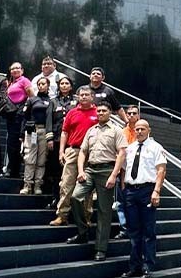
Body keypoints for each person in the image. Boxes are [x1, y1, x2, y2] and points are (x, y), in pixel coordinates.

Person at [66, 101, 128, 262]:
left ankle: (101, 249)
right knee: (75, 197)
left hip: (107, 171)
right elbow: (83, 152)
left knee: (104, 211)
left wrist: (114, 175)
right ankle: (83, 231)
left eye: (104, 111)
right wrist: (80, 171)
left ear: (110, 113)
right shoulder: (91, 130)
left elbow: (122, 154)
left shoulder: (116, 131)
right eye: (98, 111)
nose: (100, 113)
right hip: (90, 170)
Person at [121, 119, 166, 278]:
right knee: (133, 231)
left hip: (147, 190)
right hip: (131, 192)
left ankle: (148, 265)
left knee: (148, 230)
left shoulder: (155, 147)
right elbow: (125, 169)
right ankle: (134, 267)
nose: (139, 131)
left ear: (149, 130)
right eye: (137, 129)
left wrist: (156, 191)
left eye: (142, 129)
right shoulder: (131, 148)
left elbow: (161, 170)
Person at [50, 86, 97, 227]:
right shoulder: (72, 112)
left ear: (92, 97)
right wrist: (61, 151)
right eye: (81, 95)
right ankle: (62, 215)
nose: (83, 97)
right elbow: (64, 132)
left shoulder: (98, 113)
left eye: (86, 94)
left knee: (87, 187)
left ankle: (86, 217)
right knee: (66, 184)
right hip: (73, 151)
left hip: (90, 154)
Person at [45, 75, 77, 199]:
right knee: (55, 170)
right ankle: (55, 197)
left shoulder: (76, 101)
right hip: (56, 140)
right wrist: (49, 138)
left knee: (69, 172)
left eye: (66, 83)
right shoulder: (53, 101)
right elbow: (49, 121)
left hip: (71, 141)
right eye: (62, 84)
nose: (64, 85)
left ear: (71, 86)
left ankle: (68, 199)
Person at [20, 76, 53, 195]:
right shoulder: (32, 99)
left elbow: (51, 119)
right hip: (32, 131)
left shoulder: (51, 101)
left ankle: (38, 185)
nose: (41, 86)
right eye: (39, 84)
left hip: (44, 131)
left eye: (43, 84)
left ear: (48, 86)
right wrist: (21, 134)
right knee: (29, 158)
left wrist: (50, 136)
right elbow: (25, 117)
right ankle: (27, 185)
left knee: (41, 160)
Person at [0, 62, 33, 178]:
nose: (15, 70)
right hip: (10, 114)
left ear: (22, 70)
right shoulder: (10, 83)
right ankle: (12, 169)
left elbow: (32, 97)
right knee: (11, 143)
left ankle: (13, 170)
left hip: (20, 114)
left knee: (14, 143)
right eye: (12, 68)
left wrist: (26, 109)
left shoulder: (25, 81)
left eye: (17, 68)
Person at [113, 105, 141, 240]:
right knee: (121, 202)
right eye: (128, 113)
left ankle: (135, 228)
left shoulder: (141, 132)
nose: (130, 115)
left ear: (138, 116)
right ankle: (124, 228)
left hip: (138, 173)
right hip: (123, 171)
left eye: (134, 113)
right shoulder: (122, 131)